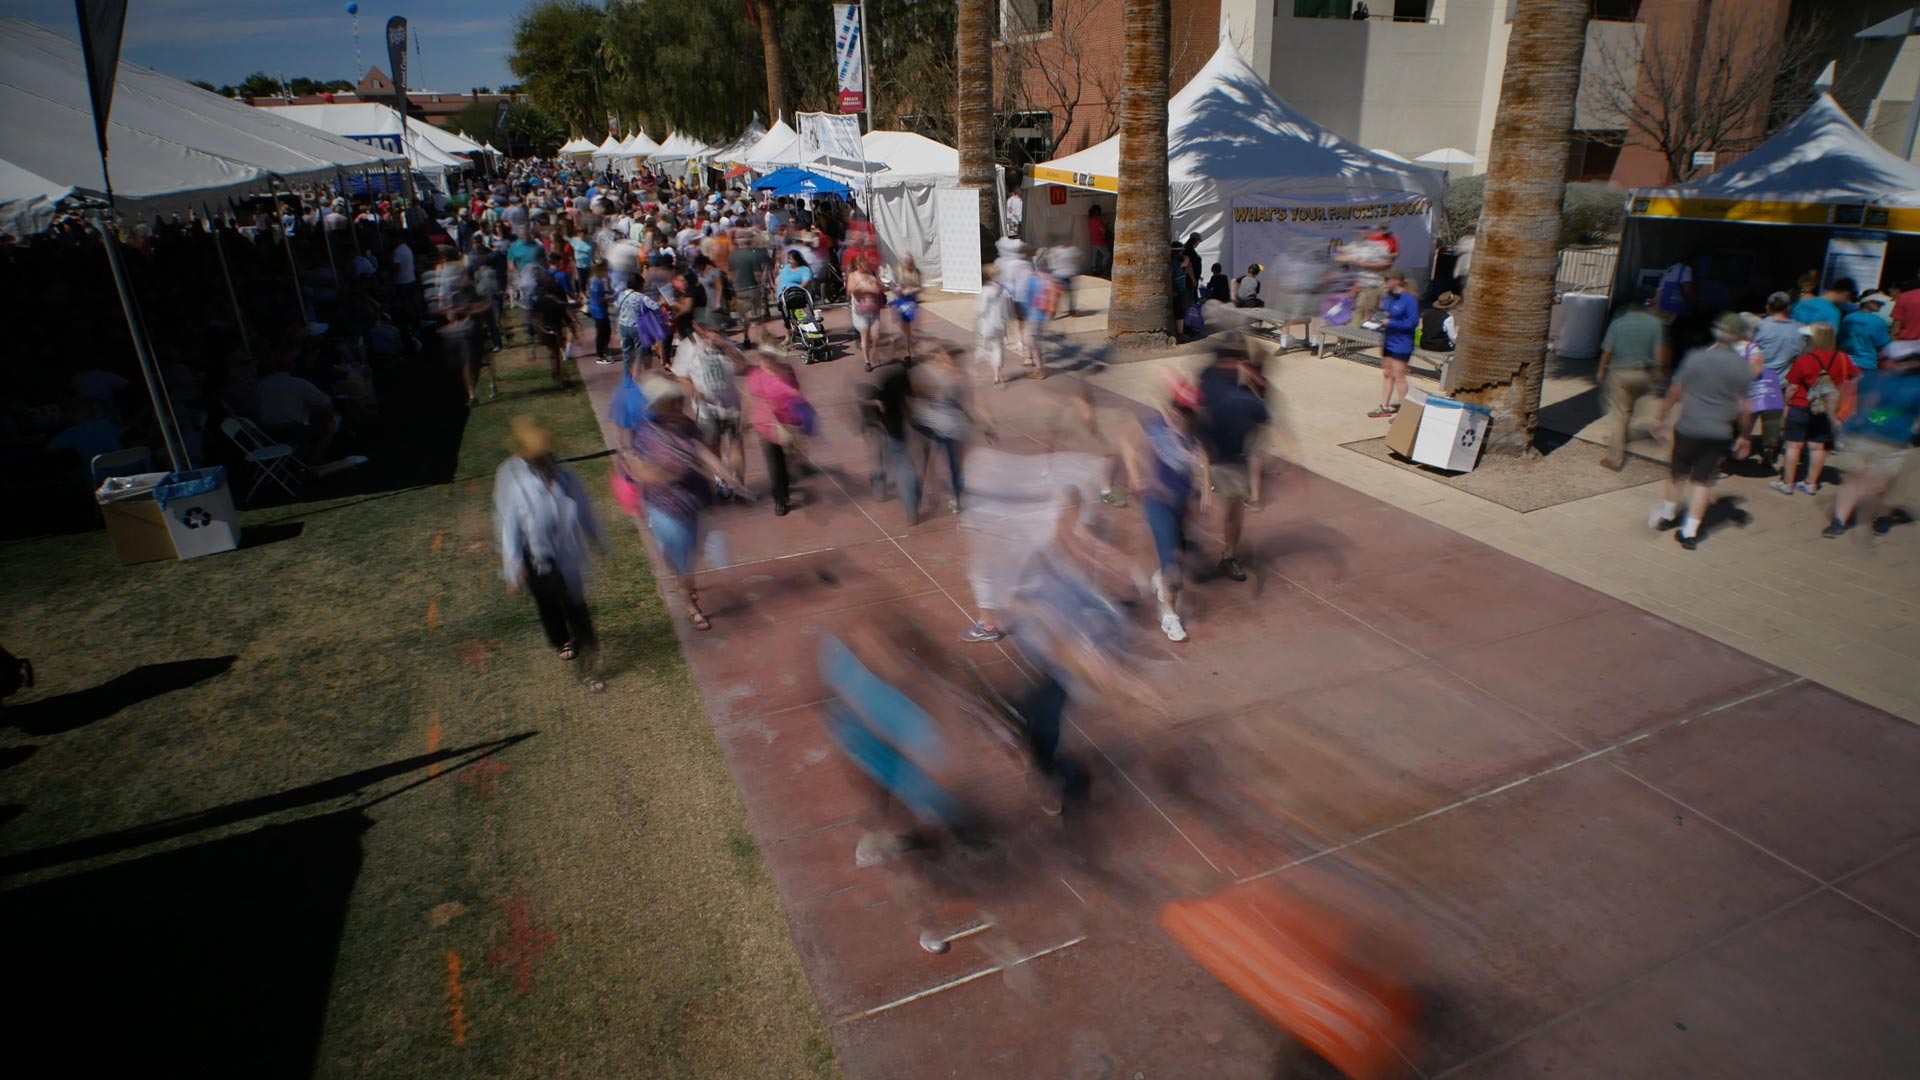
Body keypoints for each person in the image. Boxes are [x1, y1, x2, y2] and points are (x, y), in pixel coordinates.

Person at [495, 415, 608, 690]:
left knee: (576, 607)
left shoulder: (565, 476)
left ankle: (589, 667)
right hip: (536, 558)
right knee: (549, 604)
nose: (540, 458)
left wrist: (601, 545)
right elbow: (508, 525)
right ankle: (561, 639)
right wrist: (514, 565)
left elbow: (585, 511)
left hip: (567, 555)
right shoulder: (512, 480)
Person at [626, 380, 739, 630]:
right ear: (661, 406)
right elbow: (640, 472)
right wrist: (666, 474)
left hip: (693, 500)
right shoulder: (644, 433)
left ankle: (684, 581)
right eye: (675, 402)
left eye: (680, 400)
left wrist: (724, 472)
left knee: (690, 550)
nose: (681, 404)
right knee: (681, 559)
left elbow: (701, 450)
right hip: (664, 506)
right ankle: (691, 605)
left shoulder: (687, 424)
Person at [1652, 313, 1754, 550]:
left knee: (1677, 474)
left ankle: (1667, 518)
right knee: (1703, 481)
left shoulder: (1695, 357)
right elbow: (1745, 406)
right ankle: (1690, 533)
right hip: (1720, 431)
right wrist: (1745, 435)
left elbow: (1676, 391)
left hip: (1689, 427)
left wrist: (1661, 416)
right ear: (1740, 337)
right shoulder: (1743, 367)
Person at [1124, 378, 1207, 642]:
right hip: (1157, 502)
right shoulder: (1158, 427)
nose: (1186, 417)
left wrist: (1206, 488)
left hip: (1181, 501)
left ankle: (1161, 577)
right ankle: (1169, 615)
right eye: (1182, 411)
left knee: (1177, 551)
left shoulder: (1192, 431)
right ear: (1174, 409)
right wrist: (1135, 476)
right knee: (1174, 563)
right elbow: (1129, 444)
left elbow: (1203, 456)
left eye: (1190, 412)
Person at [1824, 352, 1920, 538]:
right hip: (1861, 437)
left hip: (1894, 442)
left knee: (1883, 484)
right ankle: (1839, 520)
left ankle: (1882, 517)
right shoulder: (1871, 379)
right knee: (1852, 480)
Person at [1197, 344, 1271, 583]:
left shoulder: (1248, 392)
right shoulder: (1208, 379)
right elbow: (1195, 413)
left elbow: (1260, 431)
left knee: (1234, 509)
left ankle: (1229, 555)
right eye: (1232, 361)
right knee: (1193, 505)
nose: (1235, 366)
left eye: (1238, 361)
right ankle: (1184, 550)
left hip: (1232, 459)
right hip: (1205, 453)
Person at [1773, 322, 1859, 497]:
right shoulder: (1843, 358)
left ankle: (1787, 484)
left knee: (1793, 446)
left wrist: (1785, 405)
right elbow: (1857, 376)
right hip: (1827, 409)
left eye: (1807, 338)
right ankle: (1811, 484)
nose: (1805, 341)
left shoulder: (1804, 360)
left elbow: (1792, 387)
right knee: (1818, 447)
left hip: (1801, 406)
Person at [1595, 288, 1671, 471]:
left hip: (1621, 373)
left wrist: (1601, 370)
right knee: (1631, 409)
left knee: (1618, 414)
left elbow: (1608, 350)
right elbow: (1660, 351)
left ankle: (1615, 458)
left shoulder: (1619, 322)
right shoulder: (1655, 324)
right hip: (1644, 374)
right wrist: (1660, 371)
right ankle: (1622, 437)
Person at [671, 324, 748, 501]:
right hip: (706, 410)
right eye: (708, 326)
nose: (713, 330)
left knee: (736, 445)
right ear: (698, 326)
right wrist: (694, 390)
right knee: (713, 446)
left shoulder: (725, 342)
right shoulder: (689, 346)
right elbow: (680, 377)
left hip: (731, 407)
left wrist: (725, 345)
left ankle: (739, 485)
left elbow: (743, 366)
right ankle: (721, 481)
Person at [910, 345, 982, 515]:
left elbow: (918, 395)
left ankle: (920, 495)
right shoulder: (958, 377)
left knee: (929, 462)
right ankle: (955, 496)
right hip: (950, 426)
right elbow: (966, 404)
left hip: (933, 424)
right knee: (953, 464)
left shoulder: (930, 374)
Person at [744, 340, 813, 517]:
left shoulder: (787, 371)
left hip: (789, 421)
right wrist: (776, 425)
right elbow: (759, 402)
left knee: (790, 456)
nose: (768, 360)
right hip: (767, 425)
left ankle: (788, 477)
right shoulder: (756, 376)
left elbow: (796, 392)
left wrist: (803, 411)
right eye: (765, 357)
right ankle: (780, 499)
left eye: (771, 356)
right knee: (775, 463)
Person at [258, 356, 337, 461]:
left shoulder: (261, 384)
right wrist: (330, 417)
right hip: (291, 432)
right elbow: (326, 402)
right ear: (291, 366)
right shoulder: (299, 383)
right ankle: (314, 460)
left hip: (266, 432)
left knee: (307, 419)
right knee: (330, 425)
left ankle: (302, 453)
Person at [1368, 271, 1420, 419]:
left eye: (1387, 279)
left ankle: (1406, 412)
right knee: (1387, 374)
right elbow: (1384, 315)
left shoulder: (1410, 300)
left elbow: (1413, 323)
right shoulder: (1388, 297)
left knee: (1399, 376)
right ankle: (1384, 406)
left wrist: (1392, 323)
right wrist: (1376, 322)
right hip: (1388, 341)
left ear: (1396, 281)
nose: (1385, 282)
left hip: (1402, 343)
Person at [974, 267, 1013, 384]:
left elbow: (981, 309)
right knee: (998, 348)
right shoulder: (1004, 291)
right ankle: (997, 374)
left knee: (983, 347)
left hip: (986, 324)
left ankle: (978, 367)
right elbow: (1008, 310)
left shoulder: (985, 291)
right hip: (1000, 324)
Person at [847, 255, 886, 368]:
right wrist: (864, 288)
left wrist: (877, 284)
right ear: (858, 265)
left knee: (876, 335)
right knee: (865, 335)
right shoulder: (853, 276)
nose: (866, 265)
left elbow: (880, 289)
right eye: (863, 263)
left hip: (873, 308)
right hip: (860, 310)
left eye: (866, 262)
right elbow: (850, 290)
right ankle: (867, 361)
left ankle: (875, 352)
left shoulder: (871, 274)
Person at [1840, 292, 1893, 372]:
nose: (1882, 304)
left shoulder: (1848, 318)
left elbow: (1841, 340)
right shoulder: (1878, 322)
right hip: (1867, 364)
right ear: (1867, 301)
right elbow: (1883, 346)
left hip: (1845, 362)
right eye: (1878, 302)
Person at [585, 259, 614, 365]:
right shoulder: (597, 281)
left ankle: (604, 351)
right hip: (599, 311)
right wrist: (612, 298)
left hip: (598, 310)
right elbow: (599, 298)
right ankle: (601, 355)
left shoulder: (595, 280)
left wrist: (608, 291)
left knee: (606, 332)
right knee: (603, 333)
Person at [1086, 204, 1110, 277]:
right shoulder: (1097, 219)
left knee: (1094, 255)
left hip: (1093, 240)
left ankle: (1094, 269)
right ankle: (1103, 269)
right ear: (1097, 211)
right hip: (1099, 240)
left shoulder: (1090, 219)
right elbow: (1103, 230)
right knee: (1107, 254)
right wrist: (1106, 225)